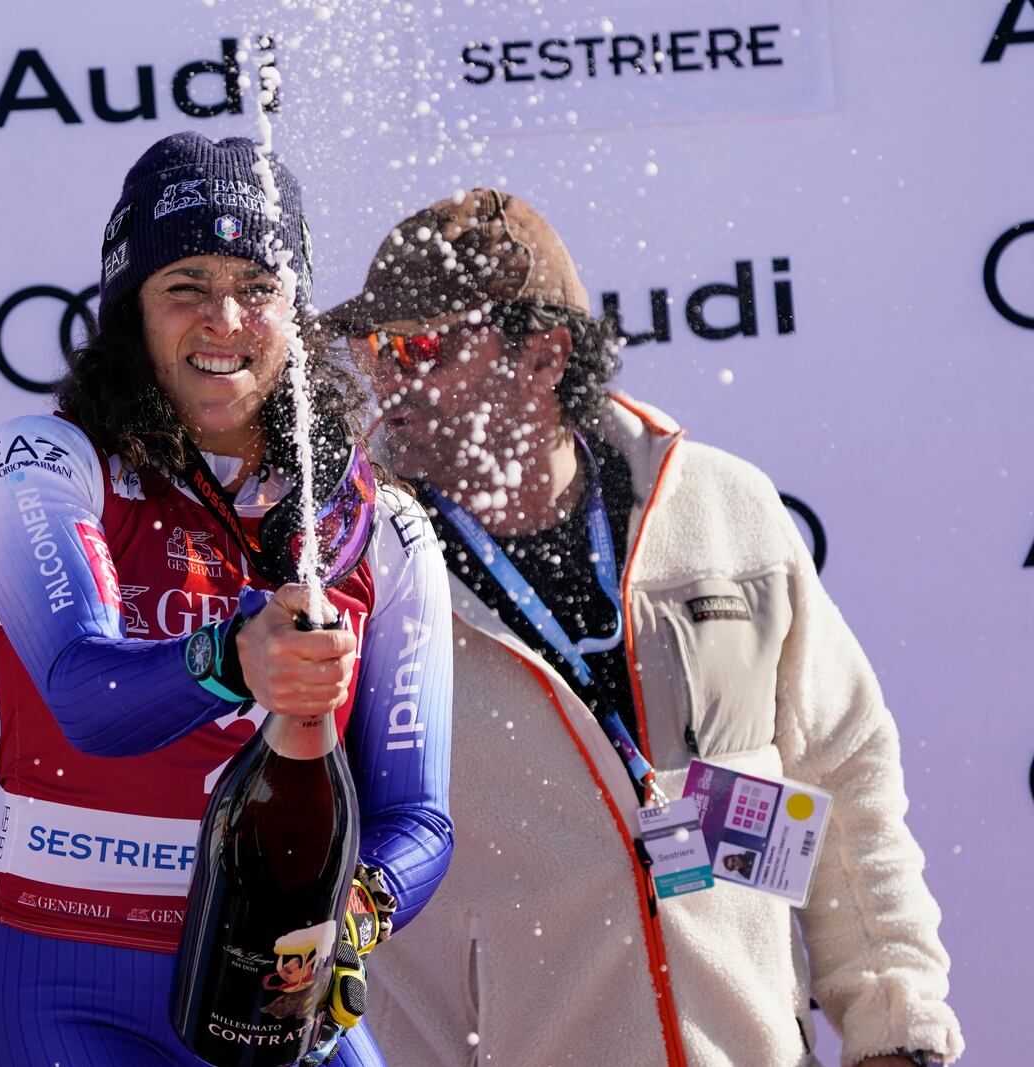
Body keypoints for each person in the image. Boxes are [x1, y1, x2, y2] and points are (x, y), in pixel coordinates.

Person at [323, 189, 963, 1067]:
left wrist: (896, 1026)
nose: (387, 376)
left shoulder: (725, 509)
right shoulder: (350, 558)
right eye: (373, 349)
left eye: (421, 346)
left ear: (543, 355)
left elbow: (840, 780)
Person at [0, 132, 454, 1066]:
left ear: (294, 312)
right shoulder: (44, 464)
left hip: (273, 997)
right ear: (129, 313)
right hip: (66, 985)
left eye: (257, 288)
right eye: (184, 285)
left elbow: (417, 819)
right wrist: (233, 656)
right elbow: (81, 697)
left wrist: (357, 908)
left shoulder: (376, 521)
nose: (224, 318)